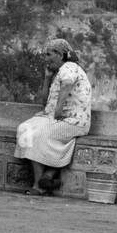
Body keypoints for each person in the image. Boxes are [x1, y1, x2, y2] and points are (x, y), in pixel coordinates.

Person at [15, 38, 93, 196]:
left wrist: (57, 112)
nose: (46, 59)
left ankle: (39, 185)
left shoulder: (69, 67)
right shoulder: (59, 72)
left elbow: (68, 84)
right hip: (55, 116)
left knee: (38, 135)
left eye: (49, 54)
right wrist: (47, 78)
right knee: (25, 129)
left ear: (60, 54)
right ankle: (48, 174)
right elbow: (44, 103)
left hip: (73, 120)